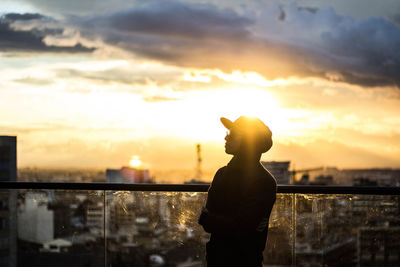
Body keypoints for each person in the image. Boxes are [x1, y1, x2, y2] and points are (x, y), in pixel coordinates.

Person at [198, 116, 277, 267]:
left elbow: (240, 227)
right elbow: (241, 227)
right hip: (223, 259)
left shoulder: (263, 182)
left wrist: (209, 219)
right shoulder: (262, 180)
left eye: (232, 134)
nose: (226, 137)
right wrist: (229, 223)